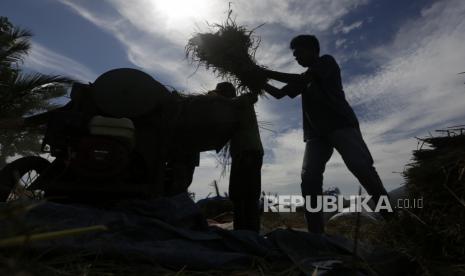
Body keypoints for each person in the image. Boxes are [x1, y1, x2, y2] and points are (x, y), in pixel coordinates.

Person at [257, 35, 390, 233]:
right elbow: (279, 94)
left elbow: (303, 79)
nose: (296, 57)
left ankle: (393, 219)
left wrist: (263, 72)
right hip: (316, 135)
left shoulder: (326, 62)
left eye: (298, 53)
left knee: (362, 168)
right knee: (309, 178)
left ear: (312, 49)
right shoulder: (305, 77)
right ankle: (316, 233)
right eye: (294, 55)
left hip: (341, 125)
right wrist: (257, 80)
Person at [209, 82, 263, 232]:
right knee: (238, 194)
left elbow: (253, 97)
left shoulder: (243, 100)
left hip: (249, 151)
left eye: (220, 94)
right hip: (241, 153)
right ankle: (242, 232)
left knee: (248, 194)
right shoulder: (230, 111)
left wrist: (216, 99)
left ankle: (250, 234)